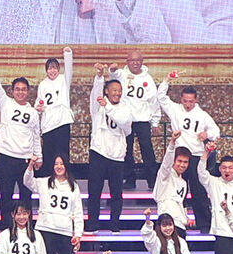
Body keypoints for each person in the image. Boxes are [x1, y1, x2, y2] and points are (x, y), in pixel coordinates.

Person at [156, 74, 220, 236]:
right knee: (176, 190)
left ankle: (204, 224)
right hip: (179, 156)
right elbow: (161, 97)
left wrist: (207, 134)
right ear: (181, 99)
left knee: (198, 191)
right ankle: (178, 222)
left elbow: (216, 131)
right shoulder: (175, 109)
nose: (188, 104)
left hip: (196, 156)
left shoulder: (202, 115)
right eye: (185, 101)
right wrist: (167, 80)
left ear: (196, 100)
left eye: (191, 101)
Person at [0, 57, 43, 226]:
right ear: (12, 91)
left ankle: (27, 229)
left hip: (25, 160)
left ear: (28, 92)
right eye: (17, 89)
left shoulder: (33, 112)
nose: (20, 92)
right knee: (6, 196)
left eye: (23, 89)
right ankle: (6, 229)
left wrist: (39, 157)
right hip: (6, 158)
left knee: (26, 196)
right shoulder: (6, 104)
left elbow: (36, 136)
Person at [88, 63, 133, 233]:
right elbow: (96, 93)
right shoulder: (98, 105)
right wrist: (99, 76)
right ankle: (93, 223)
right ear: (107, 91)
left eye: (119, 91)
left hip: (117, 156)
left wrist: (107, 107)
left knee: (116, 193)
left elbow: (125, 124)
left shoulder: (124, 108)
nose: (117, 93)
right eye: (114, 90)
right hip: (99, 152)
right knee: (94, 191)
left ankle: (114, 224)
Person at [24, 154, 82, 254]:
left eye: (61, 164)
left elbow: (78, 211)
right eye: (56, 164)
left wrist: (78, 234)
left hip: (65, 231)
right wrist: (31, 165)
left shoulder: (73, 186)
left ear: (66, 166)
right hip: (46, 229)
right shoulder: (44, 182)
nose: (58, 167)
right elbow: (27, 181)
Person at [113, 51, 160, 190]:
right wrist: (112, 69)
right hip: (126, 119)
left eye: (138, 60)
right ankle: (129, 179)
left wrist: (155, 121)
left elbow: (154, 101)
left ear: (142, 61)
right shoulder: (123, 74)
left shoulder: (148, 79)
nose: (135, 63)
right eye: (132, 60)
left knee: (147, 150)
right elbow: (113, 75)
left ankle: (152, 180)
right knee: (126, 150)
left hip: (142, 119)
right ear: (127, 61)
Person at [38, 47, 75, 176]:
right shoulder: (42, 84)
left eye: (54, 68)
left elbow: (69, 68)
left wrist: (67, 54)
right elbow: (39, 101)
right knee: (48, 154)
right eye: (50, 68)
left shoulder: (64, 80)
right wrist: (39, 107)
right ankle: (48, 179)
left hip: (62, 122)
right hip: (48, 124)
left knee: (63, 153)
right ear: (46, 70)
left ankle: (64, 178)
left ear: (58, 69)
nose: (52, 71)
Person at [153, 132, 192, 235]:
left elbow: (181, 203)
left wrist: (186, 218)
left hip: (181, 225)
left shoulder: (183, 182)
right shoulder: (165, 175)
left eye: (185, 162)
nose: (182, 165)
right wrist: (172, 142)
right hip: (167, 224)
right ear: (173, 161)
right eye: (179, 161)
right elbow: (166, 163)